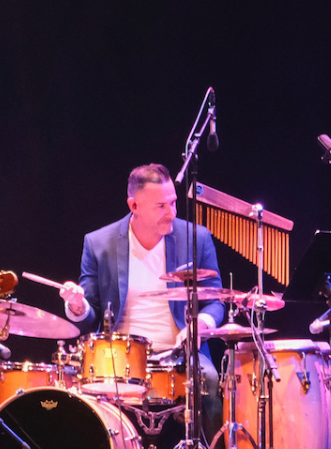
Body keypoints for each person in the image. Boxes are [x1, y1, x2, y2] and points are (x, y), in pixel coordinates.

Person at [59, 163, 226, 419]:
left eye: (173, 203)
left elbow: (216, 302)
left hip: (179, 355)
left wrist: (200, 325)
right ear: (133, 206)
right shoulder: (98, 243)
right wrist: (77, 307)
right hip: (119, 359)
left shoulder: (197, 238)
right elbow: (90, 316)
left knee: (211, 381)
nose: (171, 213)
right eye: (161, 206)